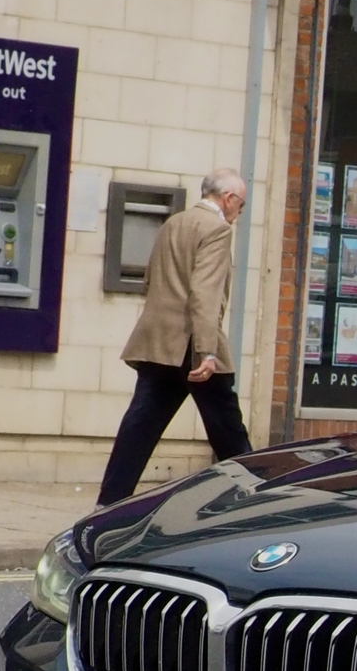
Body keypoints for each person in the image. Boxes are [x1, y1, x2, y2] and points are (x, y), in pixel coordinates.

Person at [97, 169, 253, 504]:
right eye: (241, 205)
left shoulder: (174, 222)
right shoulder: (218, 230)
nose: (239, 213)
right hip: (194, 347)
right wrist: (207, 350)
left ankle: (109, 500)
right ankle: (253, 498)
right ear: (228, 200)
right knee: (228, 431)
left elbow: (150, 279)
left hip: (157, 344)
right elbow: (205, 293)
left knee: (139, 427)